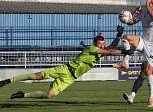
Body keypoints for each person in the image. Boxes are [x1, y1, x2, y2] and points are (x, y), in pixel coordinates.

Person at [0, 25, 132, 99]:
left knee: (48, 95)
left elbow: (110, 49)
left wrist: (119, 36)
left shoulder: (100, 51)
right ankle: (6, 81)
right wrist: (125, 52)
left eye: (104, 43)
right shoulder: (92, 49)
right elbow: (109, 51)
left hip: (70, 78)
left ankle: (23, 94)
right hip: (65, 69)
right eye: (101, 43)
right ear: (97, 44)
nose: (103, 45)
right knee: (37, 76)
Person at [113, 0, 153, 107]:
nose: (150, 4)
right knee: (126, 37)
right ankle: (126, 62)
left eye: (152, 3)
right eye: (150, 2)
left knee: (148, 71)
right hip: (144, 42)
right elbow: (130, 22)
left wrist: (147, 6)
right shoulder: (144, 12)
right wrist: (133, 12)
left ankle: (151, 96)